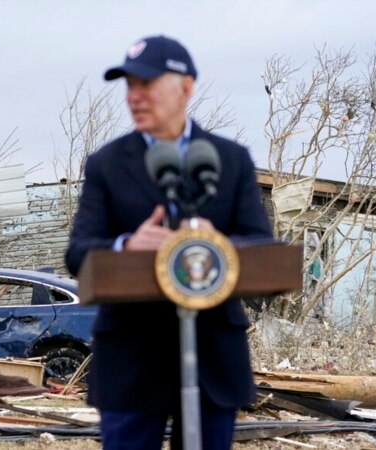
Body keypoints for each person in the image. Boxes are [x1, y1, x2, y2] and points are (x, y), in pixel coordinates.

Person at [65, 35, 272, 450]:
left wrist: (219, 246)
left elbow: (262, 248)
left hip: (212, 355)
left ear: (185, 87)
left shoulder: (230, 160)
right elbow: (77, 253)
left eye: (147, 84)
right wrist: (127, 245)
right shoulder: (107, 164)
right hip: (131, 356)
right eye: (129, 86)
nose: (135, 97)